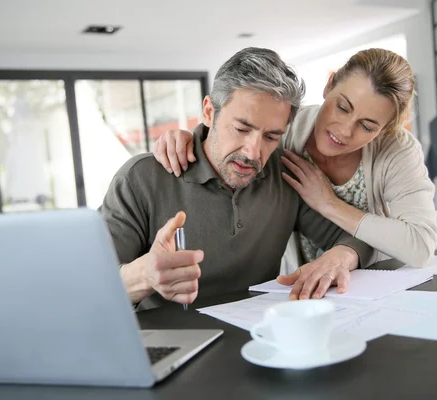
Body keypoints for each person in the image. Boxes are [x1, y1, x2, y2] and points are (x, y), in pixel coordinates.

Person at [100, 47, 373, 310]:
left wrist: (341, 257)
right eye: (242, 128)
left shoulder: (285, 173)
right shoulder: (141, 178)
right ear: (209, 112)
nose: (253, 152)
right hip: (168, 343)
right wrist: (144, 275)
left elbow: (353, 237)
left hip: (258, 337)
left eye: (271, 137)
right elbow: (89, 287)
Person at [152, 48, 437, 270]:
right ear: (329, 85)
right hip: (305, 283)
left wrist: (328, 203)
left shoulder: (397, 150)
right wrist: (192, 137)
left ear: (385, 130)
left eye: (367, 126)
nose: (344, 130)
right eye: (342, 107)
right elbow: (239, 132)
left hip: (379, 280)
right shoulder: (285, 130)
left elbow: (420, 247)